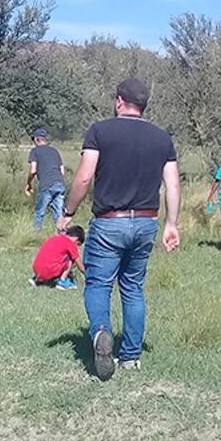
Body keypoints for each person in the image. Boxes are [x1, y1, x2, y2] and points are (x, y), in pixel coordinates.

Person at [57, 78, 181, 381]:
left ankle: (101, 333)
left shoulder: (100, 131)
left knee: (99, 284)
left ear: (118, 101)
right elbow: (173, 184)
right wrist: (171, 224)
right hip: (146, 222)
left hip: (110, 221)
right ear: (144, 105)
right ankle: (131, 356)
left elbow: (84, 178)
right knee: (133, 287)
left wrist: (68, 212)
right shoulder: (162, 138)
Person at [24, 127, 66, 230]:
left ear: (37, 139)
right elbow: (62, 171)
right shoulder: (55, 151)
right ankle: (61, 235)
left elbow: (33, 170)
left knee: (40, 212)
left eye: (33, 139)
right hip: (59, 183)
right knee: (59, 214)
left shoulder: (35, 151)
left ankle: (36, 234)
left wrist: (28, 183)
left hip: (46, 185)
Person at [30, 225, 86, 290]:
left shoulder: (54, 238)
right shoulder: (70, 243)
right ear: (76, 239)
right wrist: (87, 273)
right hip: (49, 271)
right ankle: (62, 282)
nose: (77, 247)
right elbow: (79, 264)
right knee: (71, 258)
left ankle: (37, 279)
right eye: (78, 244)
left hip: (36, 270)